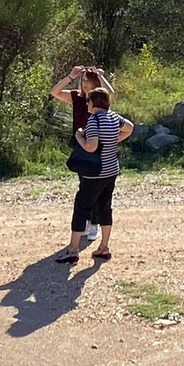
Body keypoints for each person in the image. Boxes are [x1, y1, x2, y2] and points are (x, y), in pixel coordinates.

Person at [56, 87, 132, 264]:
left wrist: (79, 137)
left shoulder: (93, 120)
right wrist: (114, 139)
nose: (87, 103)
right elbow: (129, 128)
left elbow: (90, 147)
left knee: (82, 207)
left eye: (89, 101)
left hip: (94, 172)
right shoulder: (114, 117)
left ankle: (73, 250)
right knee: (105, 207)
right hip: (111, 170)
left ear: (94, 102)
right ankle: (103, 247)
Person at [49, 66, 115, 245]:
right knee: (84, 183)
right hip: (81, 145)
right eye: (83, 80)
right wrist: (71, 76)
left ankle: (94, 223)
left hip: (97, 146)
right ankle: (86, 222)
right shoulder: (76, 97)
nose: (85, 84)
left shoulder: (100, 99)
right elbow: (54, 92)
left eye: (89, 81)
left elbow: (111, 93)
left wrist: (101, 77)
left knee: (94, 184)